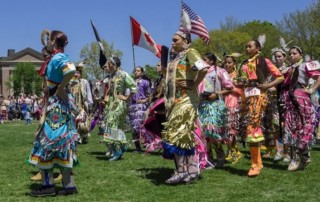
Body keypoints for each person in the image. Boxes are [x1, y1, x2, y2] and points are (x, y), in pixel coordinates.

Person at [28, 30, 79, 196]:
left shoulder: (58, 58)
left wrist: (60, 88)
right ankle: (68, 185)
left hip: (57, 107)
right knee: (61, 141)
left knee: (48, 142)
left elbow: (71, 70)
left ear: (53, 41)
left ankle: (48, 186)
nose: (46, 43)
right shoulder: (54, 57)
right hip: (57, 106)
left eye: (48, 40)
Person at [162, 31, 209, 184]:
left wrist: (194, 84)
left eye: (175, 40)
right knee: (185, 136)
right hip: (174, 100)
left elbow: (203, 69)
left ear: (186, 41)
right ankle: (192, 170)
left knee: (175, 133)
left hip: (186, 99)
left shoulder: (190, 52)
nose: (172, 43)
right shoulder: (176, 57)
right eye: (172, 40)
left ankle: (181, 171)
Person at [236, 38, 284, 176]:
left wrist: (268, 86)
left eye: (250, 46)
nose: (247, 49)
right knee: (248, 128)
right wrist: (240, 81)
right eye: (246, 47)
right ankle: (258, 162)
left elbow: (280, 77)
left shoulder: (264, 61)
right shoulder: (243, 64)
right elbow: (239, 79)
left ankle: (255, 164)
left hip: (259, 98)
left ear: (258, 49)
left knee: (253, 127)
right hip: (246, 98)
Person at [281, 46, 320, 171]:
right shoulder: (289, 69)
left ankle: (298, 158)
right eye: (290, 54)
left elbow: (318, 77)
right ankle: (302, 157)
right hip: (289, 99)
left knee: (301, 127)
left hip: (301, 99)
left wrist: (312, 89)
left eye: (294, 53)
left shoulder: (305, 66)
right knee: (292, 127)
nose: (291, 55)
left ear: (300, 54)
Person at [198, 52, 233, 168]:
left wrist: (217, 94)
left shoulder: (220, 71)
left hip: (215, 105)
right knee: (204, 134)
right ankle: (208, 159)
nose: (202, 61)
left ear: (211, 61)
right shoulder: (199, 73)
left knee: (213, 133)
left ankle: (220, 156)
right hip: (202, 104)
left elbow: (230, 88)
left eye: (205, 59)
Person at [101, 56, 137, 161]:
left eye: (109, 63)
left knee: (112, 124)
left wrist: (126, 98)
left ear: (114, 64)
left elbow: (134, 87)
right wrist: (106, 97)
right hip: (112, 103)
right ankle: (120, 147)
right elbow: (111, 89)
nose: (107, 65)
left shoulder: (123, 74)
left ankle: (118, 149)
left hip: (119, 103)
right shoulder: (112, 76)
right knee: (113, 125)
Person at [223, 53, 245, 164]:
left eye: (229, 62)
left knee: (232, 128)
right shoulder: (223, 74)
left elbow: (242, 91)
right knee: (225, 128)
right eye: (226, 62)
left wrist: (232, 89)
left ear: (234, 63)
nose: (227, 64)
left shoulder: (237, 75)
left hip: (233, 102)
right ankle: (230, 151)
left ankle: (236, 151)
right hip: (224, 101)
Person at [271, 48, 290, 162]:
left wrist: (275, 87)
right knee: (276, 126)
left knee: (285, 126)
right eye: (275, 57)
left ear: (284, 57)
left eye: (279, 56)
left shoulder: (288, 70)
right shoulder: (272, 71)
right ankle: (279, 151)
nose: (277, 58)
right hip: (273, 102)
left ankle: (287, 153)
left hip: (284, 101)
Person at [128, 66, 151, 153]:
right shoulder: (131, 82)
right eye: (135, 71)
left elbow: (149, 95)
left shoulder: (145, 82)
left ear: (141, 72)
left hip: (141, 106)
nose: (136, 72)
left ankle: (147, 144)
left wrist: (143, 100)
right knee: (133, 128)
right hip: (132, 106)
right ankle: (137, 147)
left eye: (138, 71)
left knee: (141, 127)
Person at [70, 62, 93, 144]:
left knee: (82, 121)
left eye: (78, 73)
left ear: (80, 74)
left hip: (82, 105)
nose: (76, 74)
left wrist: (89, 103)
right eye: (75, 72)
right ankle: (77, 137)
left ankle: (84, 136)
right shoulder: (70, 82)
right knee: (74, 121)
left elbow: (88, 92)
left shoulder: (84, 82)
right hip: (73, 105)